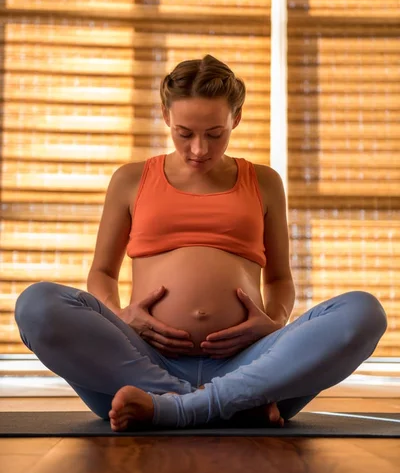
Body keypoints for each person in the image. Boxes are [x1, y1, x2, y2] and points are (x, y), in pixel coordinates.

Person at [14, 54, 388, 431]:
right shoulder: (130, 180)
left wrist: (273, 322)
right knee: (36, 305)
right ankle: (225, 402)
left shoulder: (265, 182)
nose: (199, 149)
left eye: (214, 134)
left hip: (249, 363)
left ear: (235, 120)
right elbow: (102, 272)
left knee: (363, 312)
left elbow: (279, 279)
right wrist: (121, 318)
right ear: (165, 115)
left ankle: (176, 407)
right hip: (143, 364)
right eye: (184, 133)